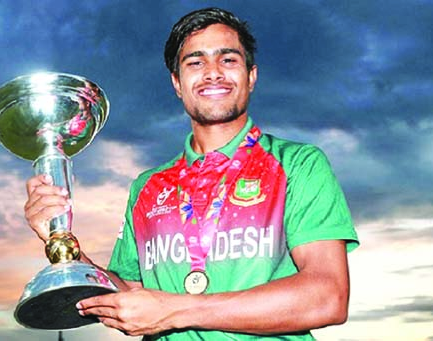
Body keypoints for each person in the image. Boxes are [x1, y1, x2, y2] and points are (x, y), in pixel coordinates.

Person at [24, 7, 359, 340]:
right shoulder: (148, 187)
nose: (213, 72)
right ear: (177, 83)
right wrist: (60, 240)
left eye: (228, 59)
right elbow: (128, 296)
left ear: (251, 76)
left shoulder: (298, 164)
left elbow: (328, 297)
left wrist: (175, 310)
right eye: (195, 62)